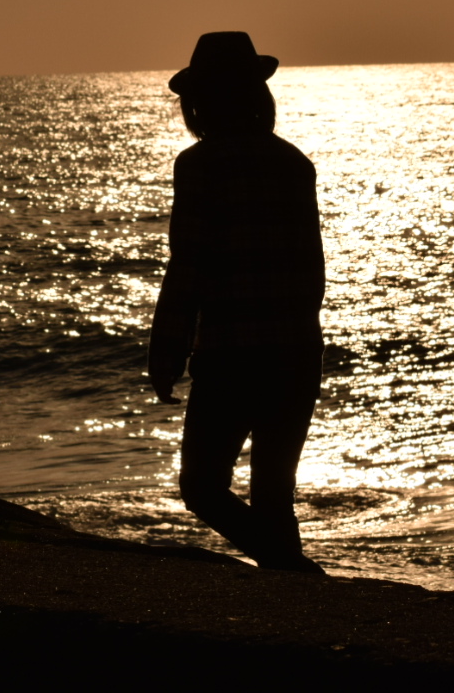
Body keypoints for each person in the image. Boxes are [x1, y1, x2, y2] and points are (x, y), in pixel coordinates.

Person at [148, 31, 326, 573]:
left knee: (202, 486)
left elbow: (189, 266)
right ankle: (294, 582)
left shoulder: (199, 164)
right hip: (297, 351)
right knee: (274, 492)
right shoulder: (294, 162)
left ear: (199, 102)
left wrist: (167, 350)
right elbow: (312, 267)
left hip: (231, 353)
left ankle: (293, 574)